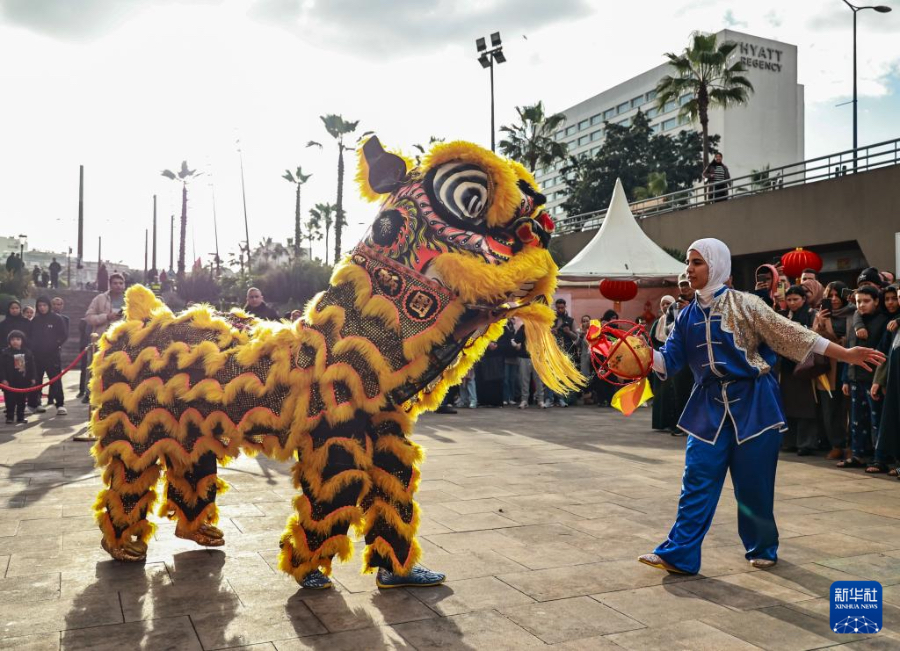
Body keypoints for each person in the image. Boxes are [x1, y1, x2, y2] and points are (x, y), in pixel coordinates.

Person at [637, 238, 883, 576]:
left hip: (755, 404)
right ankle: (680, 554)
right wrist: (639, 354)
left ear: (716, 266)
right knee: (696, 480)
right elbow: (669, 362)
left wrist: (846, 354)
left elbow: (793, 334)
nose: (689, 270)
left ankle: (762, 546)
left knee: (753, 485)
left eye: (697, 262)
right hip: (707, 407)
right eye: (688, 263)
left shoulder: (746, 304)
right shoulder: (685, 316)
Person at [837, 286, 888, 469]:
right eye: (858, 301)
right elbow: (848, 351)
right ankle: (857, 455)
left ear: (876, 301)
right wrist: (846, 378)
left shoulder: (883, 321)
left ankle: (879, 458)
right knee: (856, 421)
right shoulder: (855, 321)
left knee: (876, 420)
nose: (862, 305)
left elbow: (883, 353)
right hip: (855, 378)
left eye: (866, 301)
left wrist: (879, 381)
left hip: (873, 379)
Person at [812, 281, 855, 459]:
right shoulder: (821, 315)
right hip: (828, 366)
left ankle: (853, 445)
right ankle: (836, 444)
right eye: (830, 296)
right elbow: (813, 339)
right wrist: (820, 324)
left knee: (851, 407)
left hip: (850, 364)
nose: (835, 299)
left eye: (838, 295)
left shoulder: (854, 312)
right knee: (830, 407)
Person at [778, 286, 818, 456]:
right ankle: (790, 442)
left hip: (805, 367)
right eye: (789, 300)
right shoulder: (783, 315)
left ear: (803, 299)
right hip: (787, 367)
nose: (792, 303)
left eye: (796, 299)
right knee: (788, 406)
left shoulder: (811, 314)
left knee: (805, 408)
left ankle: (806, 443)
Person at [869, 284, 900, 474]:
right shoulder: (892, 323)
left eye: (895, 298)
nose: (893, 302)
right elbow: (885, 353)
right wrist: (879, 380)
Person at [83, 273, 127, 403]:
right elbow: (89, 317)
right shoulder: (100, 299)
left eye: (121, 283)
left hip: (123, 340)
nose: (118, 286)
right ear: (110, 284)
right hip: (102, 339)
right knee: (97, 368)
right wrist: (107, 317)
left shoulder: (129, 300)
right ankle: (90, 393)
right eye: (115, 283)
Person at [27, 297, 68, 416]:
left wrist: (55, 344)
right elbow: (30, 335)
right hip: (37, 355)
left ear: (48, 306)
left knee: (55, 380)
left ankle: (60, 404)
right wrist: (33, 347)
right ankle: (35, 403)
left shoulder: (57, 318)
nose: (42, 308)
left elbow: (64, 335)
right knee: (36, 379)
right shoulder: (35, 320)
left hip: (52, 355)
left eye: (44, 305)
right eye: (40, 306)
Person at [650, 296, 678, 432]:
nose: (666, 306)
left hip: (674, 360)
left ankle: (674, 424)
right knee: (661, 393)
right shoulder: (658, 323)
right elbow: (651, 341)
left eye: (669, 303)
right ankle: (661, 423)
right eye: (663, 304)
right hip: (659, 360)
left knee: (674, 392)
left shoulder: (678, 319)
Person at [547, 299, 578, 407]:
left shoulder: (571, 320)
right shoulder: (550, 320)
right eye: (558, 308)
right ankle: (550, 399)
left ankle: (561, 399)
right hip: (552, 351)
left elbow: (576, 338)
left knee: (563, 376)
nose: (560, 309)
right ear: (555, 307)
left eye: (562, 307)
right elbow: (544, 334)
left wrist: (568, 332)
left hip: (566, 351)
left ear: (565, 307)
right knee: (552, 375)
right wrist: (550, 332)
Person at [1, 330, 35, 424]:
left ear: (22, 341)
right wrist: (3, 379)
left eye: (18, 339)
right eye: (12, 339)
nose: (15, 341)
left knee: (22, 400)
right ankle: (10, 417)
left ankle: (20, 417)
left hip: (23, 381)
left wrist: (33, 377)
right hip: (9, 381)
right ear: (9, 341)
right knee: (9, 400)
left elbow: (32, 367)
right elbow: (1, 368)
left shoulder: (27, 353)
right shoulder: (5, 353)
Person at [514, 317, 545, 409]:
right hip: (524, 356)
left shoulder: (540, 328)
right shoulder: (523, 327)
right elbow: (517, 339)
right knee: (524, 379)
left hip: (537, 357)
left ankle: (540, 400)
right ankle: (524, 400)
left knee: (539, 380)